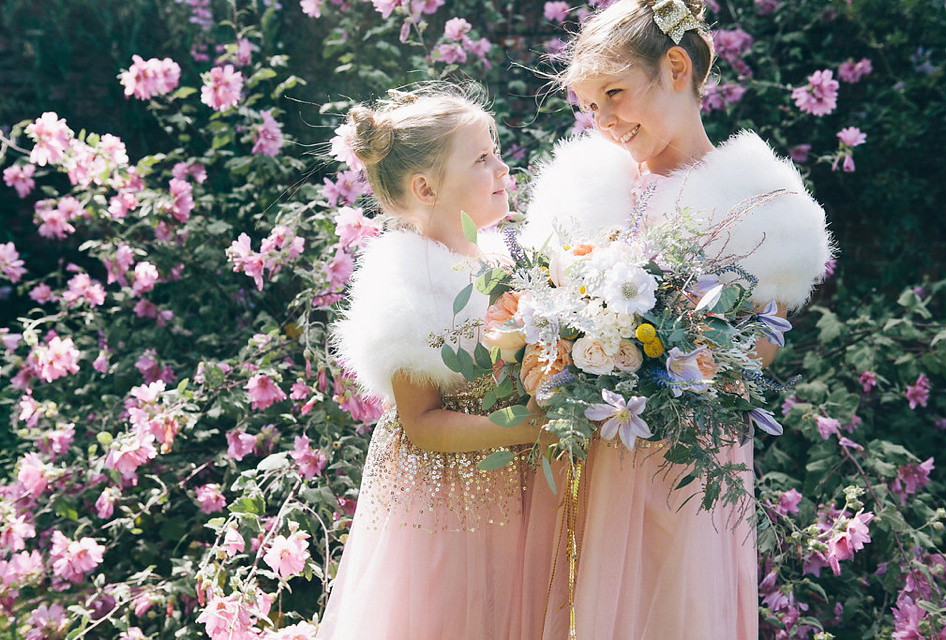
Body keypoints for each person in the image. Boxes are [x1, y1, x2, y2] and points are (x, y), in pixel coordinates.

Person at [518, 1, 833, 638]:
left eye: (615, 93)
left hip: (686, 461)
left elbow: (755, 354)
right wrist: (559, 346)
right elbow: (539, 316)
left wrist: (677, 356)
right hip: (591, 450)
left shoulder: (761, 208)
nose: (603, 121)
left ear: (678, 68)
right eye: (589, 104)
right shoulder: (582, 191)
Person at [318, 85, 545, 639]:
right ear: (425, 187)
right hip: (446, 499)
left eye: (495, 150)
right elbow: (421, 424)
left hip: (512, 481)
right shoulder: (409, 286)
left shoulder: (508, 260)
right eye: (481, 159)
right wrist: (526, 428)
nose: (501, 167)